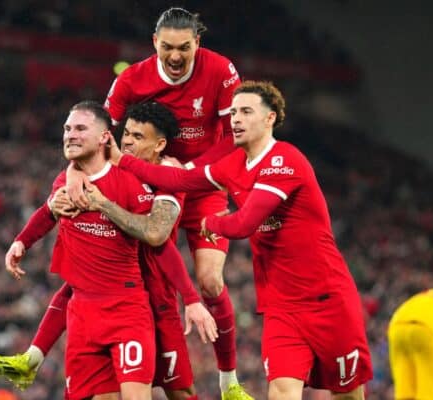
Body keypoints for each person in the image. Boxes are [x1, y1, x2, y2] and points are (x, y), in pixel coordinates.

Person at [107, 81, 373, 400]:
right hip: (281, 307)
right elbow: (183, 179)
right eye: (233, 112)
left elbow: (245, 222)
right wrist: (123, 160)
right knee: (280, 390)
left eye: (246, 111)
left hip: (327, 300)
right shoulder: (233, 164)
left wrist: (213, 222)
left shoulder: (284, 160)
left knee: (347, 394)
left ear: (270, 118)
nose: (235, 119)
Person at [66, 9, 250, 399]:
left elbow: (235, 133)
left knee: (211, 280)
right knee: (132, 265)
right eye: (168, 47)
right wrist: (73, 168)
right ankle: (143, 356)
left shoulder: (220, 70)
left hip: (202, 183)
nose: (177, 56)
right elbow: (99, 127)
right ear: (155, 43)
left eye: (185, 47)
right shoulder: (132, 78)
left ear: (197, 43)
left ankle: (229, 380)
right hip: (150, 181)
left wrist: (190, 169)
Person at [0, 102, 217, 400]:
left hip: (153, 298)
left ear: (159, 144)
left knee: (180, 391)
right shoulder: (83, 174)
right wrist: (24, 237)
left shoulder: (168, 176)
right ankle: (32, 357)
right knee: (75, 288)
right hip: (100, 297)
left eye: (139, 137)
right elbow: (68, 188)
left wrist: (192, 299)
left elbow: (156, 237)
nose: (129, 143)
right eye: (127, 135)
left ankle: (33, 357)